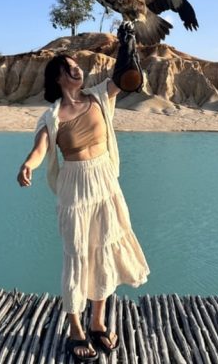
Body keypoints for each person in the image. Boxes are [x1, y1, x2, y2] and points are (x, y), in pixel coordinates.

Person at [17, 22, 150, 362]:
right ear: (59, 78)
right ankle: (75, 328)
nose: (79, 72)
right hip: (75, 187)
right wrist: (28, 165)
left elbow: (128, 77)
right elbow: (42, 147)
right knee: (77, 257)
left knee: (103, 251)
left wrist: (127, 43)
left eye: (78, 68)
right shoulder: (52, 115)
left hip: (105, 181)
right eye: (72, 69)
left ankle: (98, 322)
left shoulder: (99, 95)